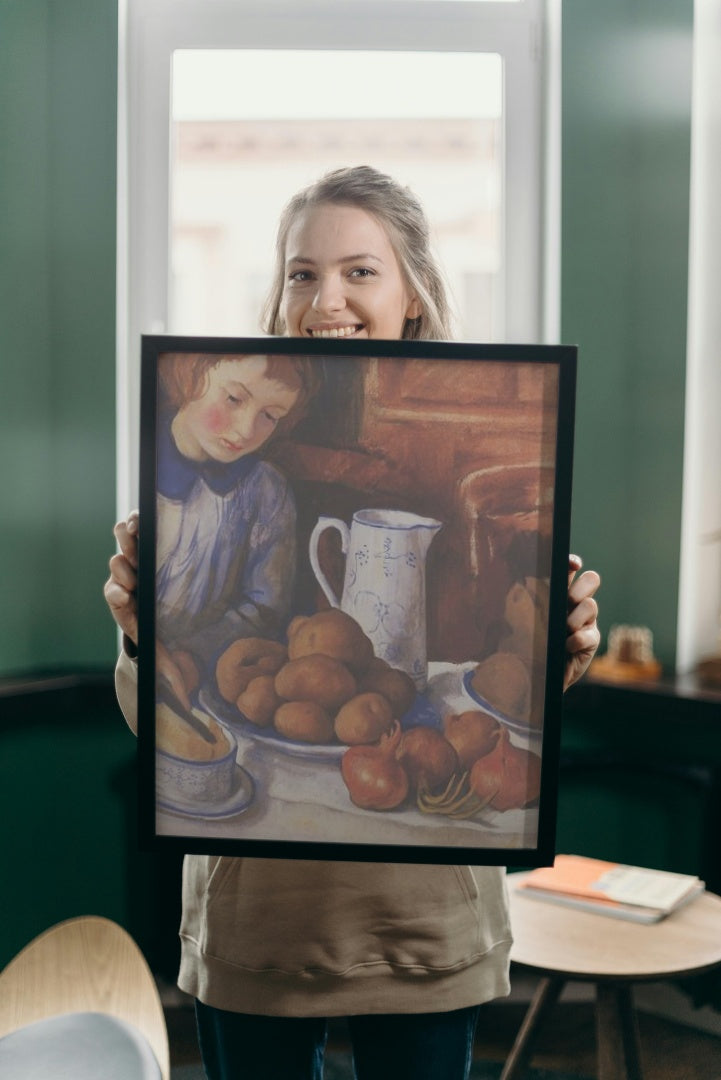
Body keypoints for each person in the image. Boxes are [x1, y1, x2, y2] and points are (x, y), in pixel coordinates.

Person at [105, 165, 601, 1080]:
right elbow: (162, 728)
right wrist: (147, 637)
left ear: (412, 291)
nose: (324, 297)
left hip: (424, 920)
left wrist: (555, 654)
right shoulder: (220, 466)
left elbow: (512, 710)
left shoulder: (518, 422)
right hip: (259, 921)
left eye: (359, 271)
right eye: (301, 272)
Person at [151, 351, 319, 706]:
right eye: (233, 398)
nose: (245, 429)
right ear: (191, 373)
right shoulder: (136, 460)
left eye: (270, 416)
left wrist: (192, 658)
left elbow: (264, 608)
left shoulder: (266, 492)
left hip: (206, 685)